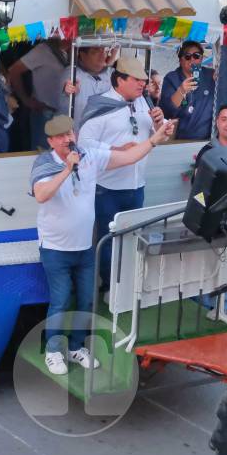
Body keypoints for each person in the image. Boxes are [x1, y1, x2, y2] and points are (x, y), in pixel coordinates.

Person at [31, 114, 174, 375]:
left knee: (86, 300)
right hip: (55, 248)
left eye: (70, 134)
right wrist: (66, 169)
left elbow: (129, 158)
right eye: (61, 136)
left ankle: (76, 348)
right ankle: (53, 351)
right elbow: (42, 195)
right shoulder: (43, 163)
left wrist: (155, 139)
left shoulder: (90, 156)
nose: (68, 139)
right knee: (61, 301)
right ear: (51, 141)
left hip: (85, 246)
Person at [80, 57, 166, 289]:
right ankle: (110, 287)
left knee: (133, 240)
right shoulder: (100, 105)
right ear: (119, 80)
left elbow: (162, 136)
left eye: (143, 80)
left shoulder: (144, 103)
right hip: (107, 189)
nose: (142, 84)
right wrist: (115, 150)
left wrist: (160, 124)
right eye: (137, 80)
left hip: (137, 185)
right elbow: (84, 144)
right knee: (108, 242)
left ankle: (128, 286)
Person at [8, 39, 70, 150]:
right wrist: (25, 99)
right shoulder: (43, 50)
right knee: (42, 158)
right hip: (46, 115)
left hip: (64, 116)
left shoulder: (72, 51)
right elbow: (14, 71)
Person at [160, 40, 217, 141]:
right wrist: (181, 91)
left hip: (207, 139)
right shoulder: (171, 78)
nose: (192, 59)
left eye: (196, 55)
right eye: (187, 56)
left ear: (202, 58)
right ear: (180, 60)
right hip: (180, 139)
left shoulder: (210, 75)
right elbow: (166, 111)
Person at [65, 44, 115, 127]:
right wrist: (68, 89)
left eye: (104, 51)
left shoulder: (112, 73)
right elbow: (64, 90)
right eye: (95, 52)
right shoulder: (71, 73)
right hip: (77, 133)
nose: (102, 55)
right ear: (83, 55)